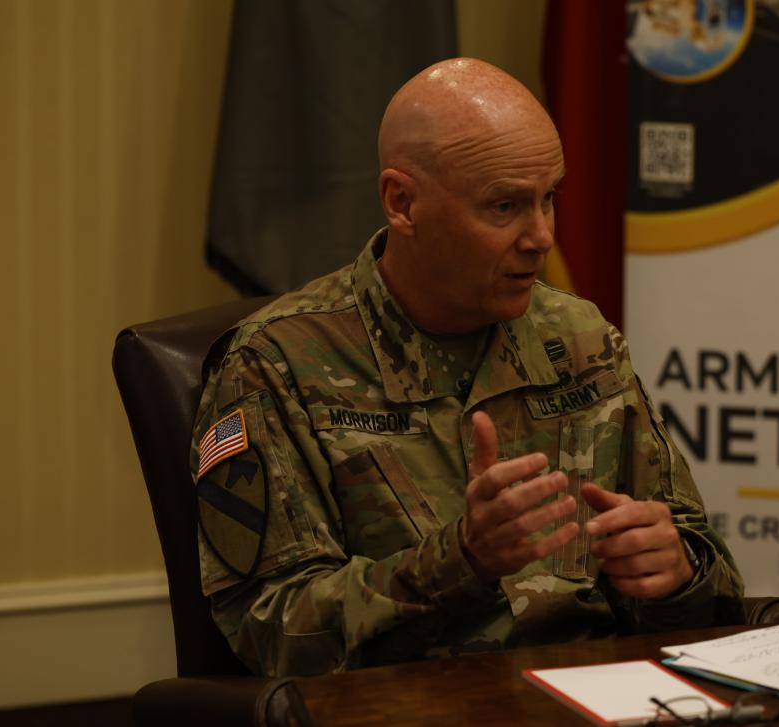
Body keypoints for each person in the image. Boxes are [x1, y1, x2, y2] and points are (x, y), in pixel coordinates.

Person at [191, 58, 745, 677]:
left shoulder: (580, 339)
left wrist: (676, 575)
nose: (541, 237)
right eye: (505, 206)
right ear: (403, 203)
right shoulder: (278, 364)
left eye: (549, 199)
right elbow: (273, 630)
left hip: (593, 696)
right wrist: (463, 561)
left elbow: (708, 583)